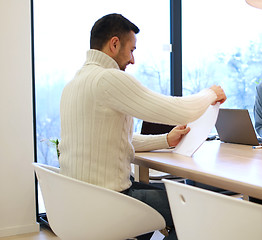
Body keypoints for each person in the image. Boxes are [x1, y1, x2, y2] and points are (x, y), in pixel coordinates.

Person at [59, 13, 226, 240]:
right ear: (114, 44)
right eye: (132, 50)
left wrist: (166, 140)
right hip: (110, 202)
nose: (133, 59)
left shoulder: (73, 85)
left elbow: (112, 139)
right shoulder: (108, 79)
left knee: (175, 198)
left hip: (82, 202)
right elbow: (181, 111)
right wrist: (210, 93)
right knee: (198, 208)